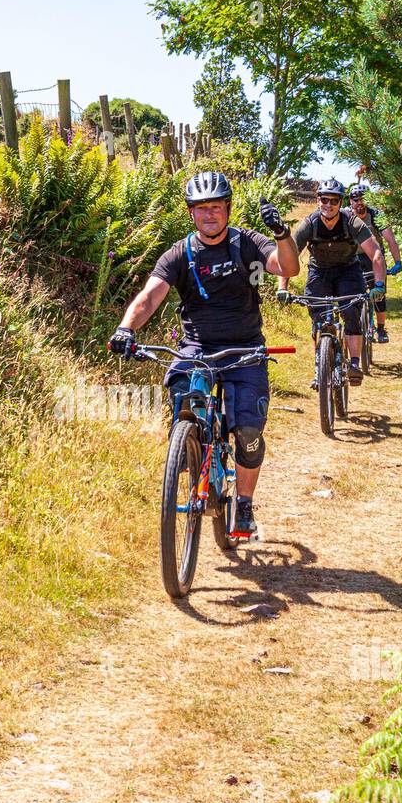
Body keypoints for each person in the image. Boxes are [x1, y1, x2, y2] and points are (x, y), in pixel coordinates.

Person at [108, 171, 299, 538]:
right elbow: (150, 296)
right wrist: (125, 329)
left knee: (246, 432)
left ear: (227, 208)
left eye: (215, 207)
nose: (209, 215)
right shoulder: (179, 254)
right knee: (182, 386)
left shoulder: (247, 244)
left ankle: (243, 503)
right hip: (197, 348)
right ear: (191, 213)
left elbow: (287, 267)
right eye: (201, 209)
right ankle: (190, 444)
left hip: (244, 347)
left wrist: (281, 234)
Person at [276, 178, 386, 384]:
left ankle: (354, 364)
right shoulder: (309, 224)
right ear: (318, 200)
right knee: (318, 318)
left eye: (334, 201)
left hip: (348, 271)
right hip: (319, 272)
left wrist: (379, 285)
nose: (328, 205)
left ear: (340, 203)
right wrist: (283, 288)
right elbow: (287, 257)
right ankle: (320, 366)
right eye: (324, 200)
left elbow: (376, 254)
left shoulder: (352, 222)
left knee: (351, 313)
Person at [347, 184, 402, 343]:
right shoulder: (345, 215)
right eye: (356, 199)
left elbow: (390, 240)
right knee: (352, 295)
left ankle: (380, 328)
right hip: (353, 258)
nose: (359, 202)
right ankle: (355, 325)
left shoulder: (376, 215)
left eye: (363, 199)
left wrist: (397, 262)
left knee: (378, 295)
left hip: (375, 259)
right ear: (350, 201)